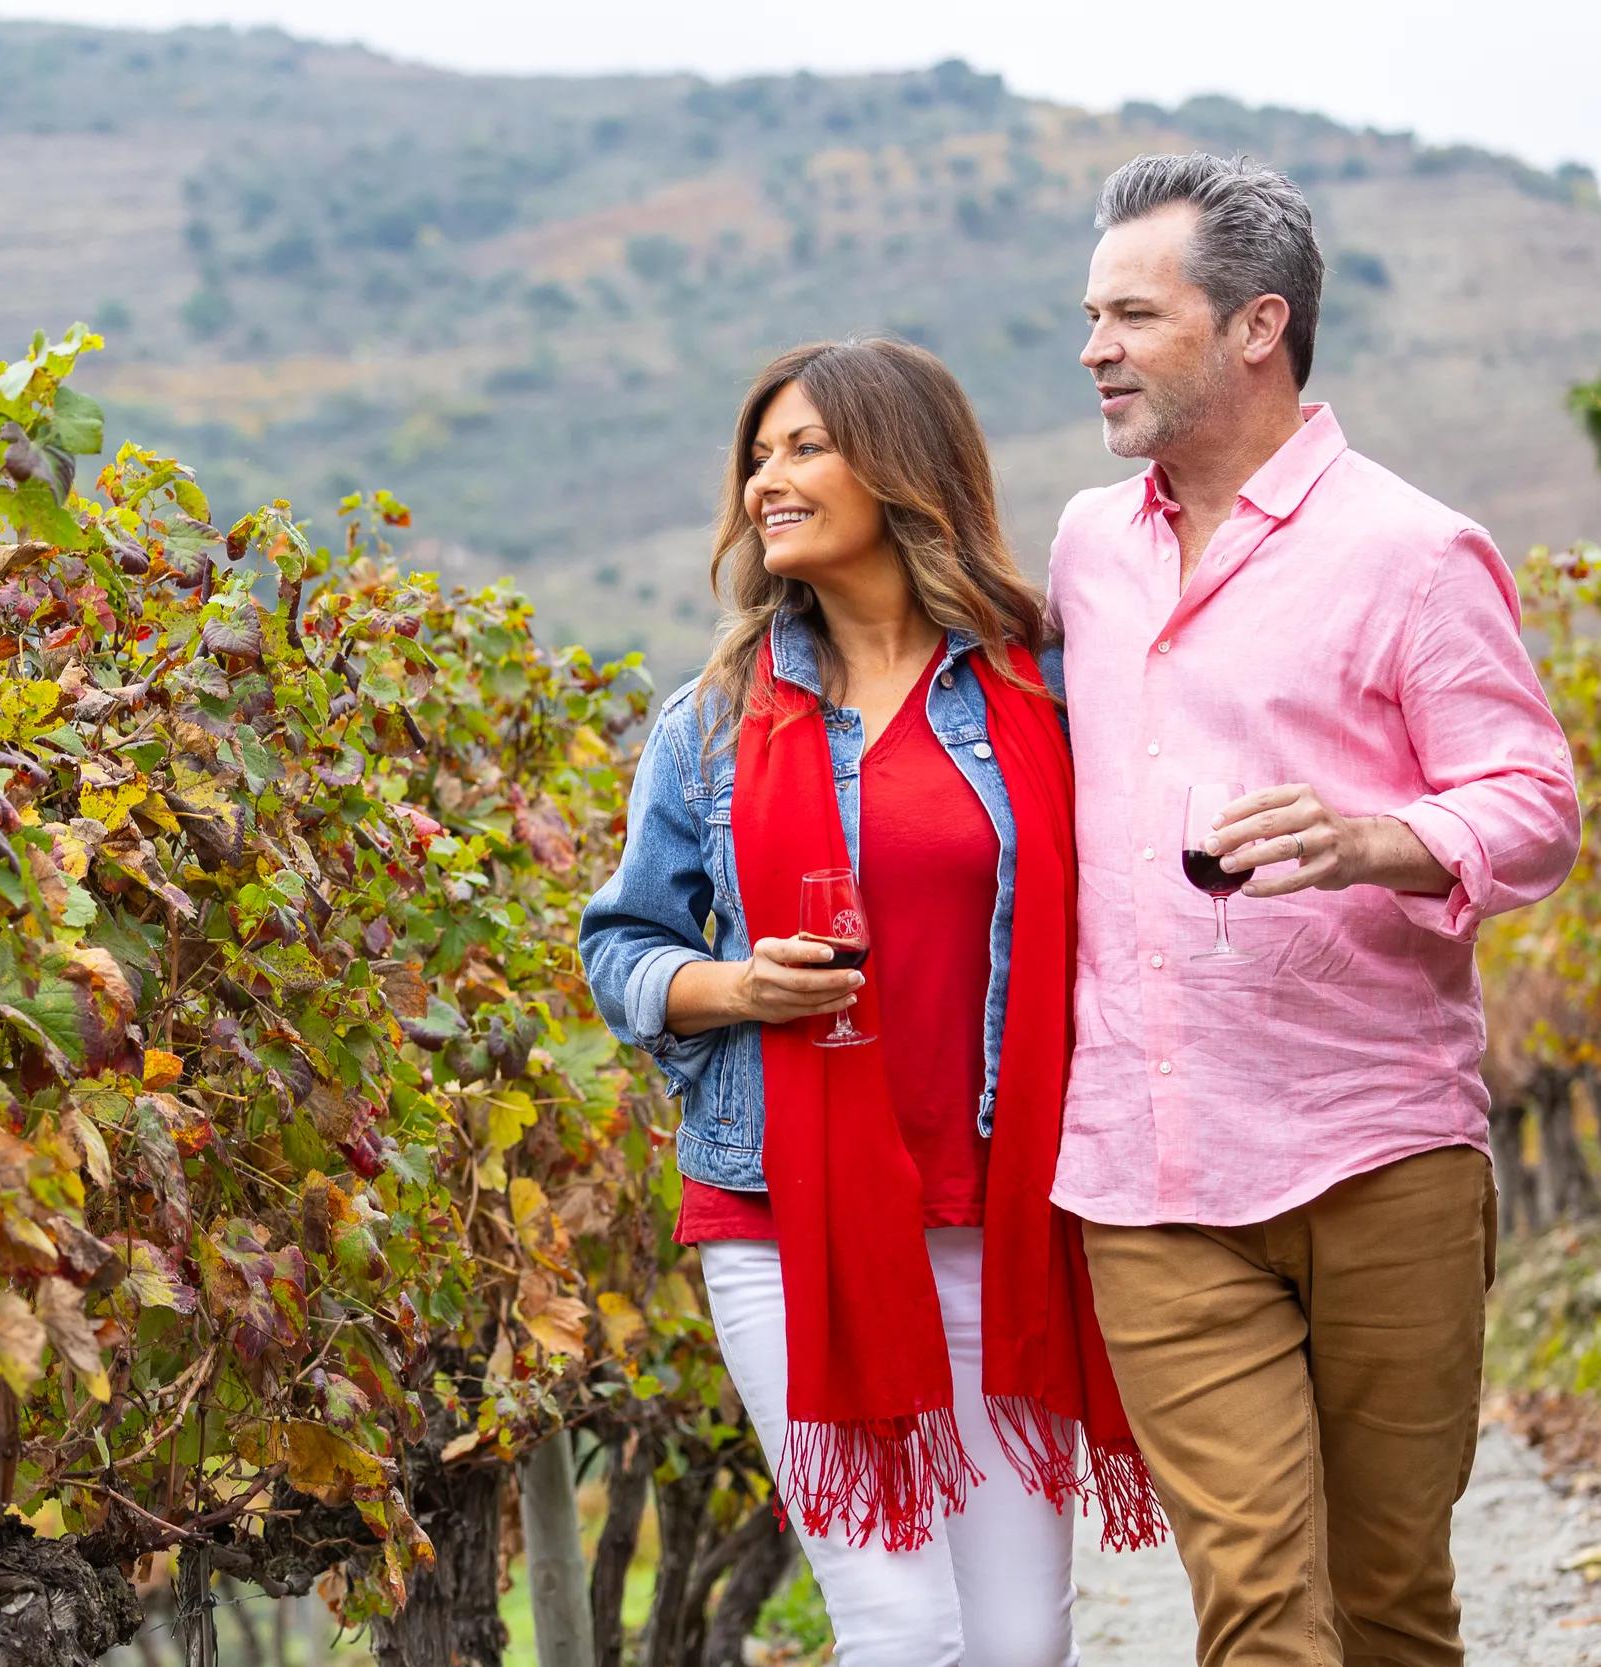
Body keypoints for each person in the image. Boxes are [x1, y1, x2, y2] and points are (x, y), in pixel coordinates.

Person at [1050, 152, 1582, 1667]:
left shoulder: (1413, 552)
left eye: (1132, 315)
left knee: (1396, 1605)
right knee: (1266, 1613)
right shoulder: (1088, 547)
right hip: (1152, 1175)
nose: (1092, 346)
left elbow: (1535, 808)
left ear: (1256, 326)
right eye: (1090, 313)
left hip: (1379, 1154)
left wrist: (1378, 839)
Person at [580, 338, 1162, 1667]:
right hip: (793, 1227)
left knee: (1022, 1646)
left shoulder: (1051, 689)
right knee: (903, 1634)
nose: (764, 480)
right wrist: (735, 985)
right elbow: (622, 944)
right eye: (758, 455)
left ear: (900, 468)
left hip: (1007, 1217)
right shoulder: (713, 722)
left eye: (803, 448)